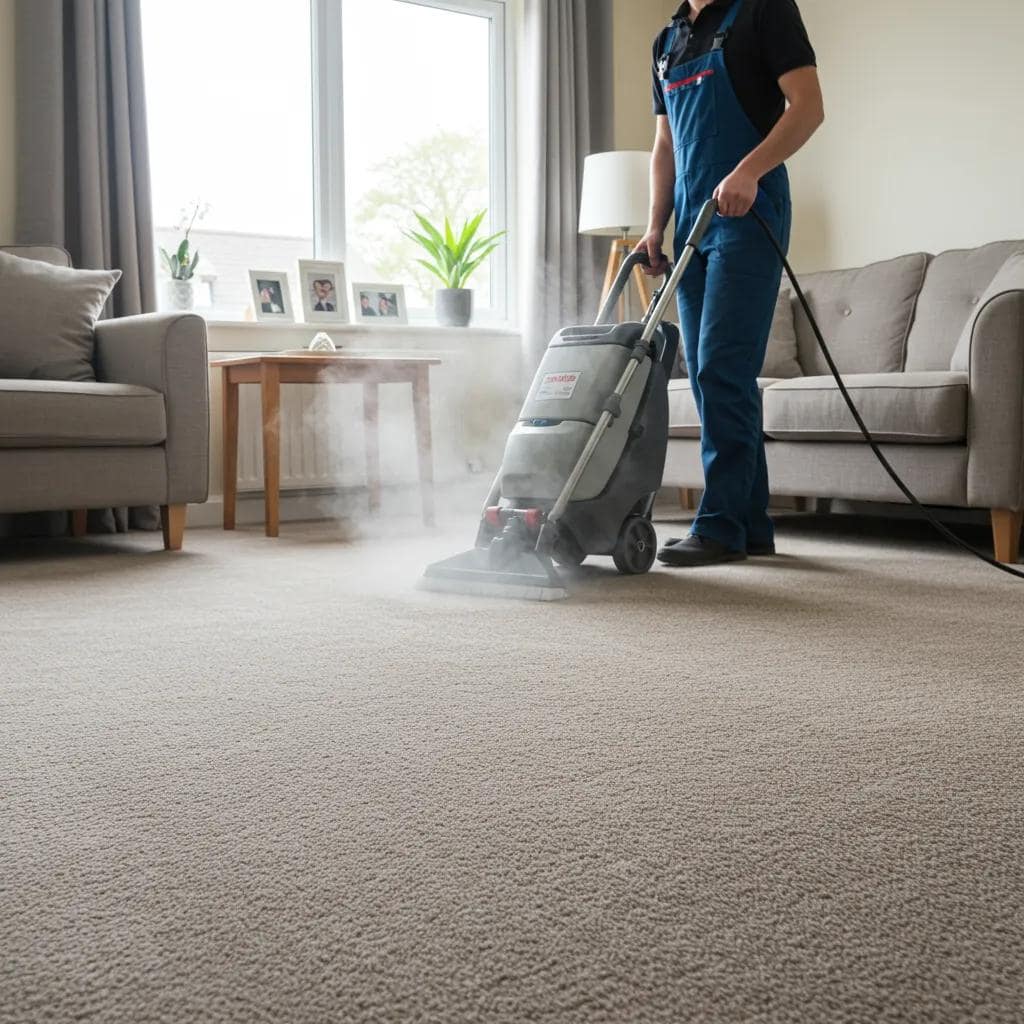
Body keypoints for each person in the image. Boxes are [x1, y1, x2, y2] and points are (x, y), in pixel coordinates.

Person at [636, 0, 823, 566]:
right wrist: (653, 225)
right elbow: (666, 146)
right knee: (707, 374)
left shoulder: (765, 10)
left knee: (722, 365)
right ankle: (750, 522)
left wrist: (749, 170)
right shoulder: (667, 41)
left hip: (750, 211)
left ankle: (718, 526)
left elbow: (808, 108)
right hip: (693, 221)